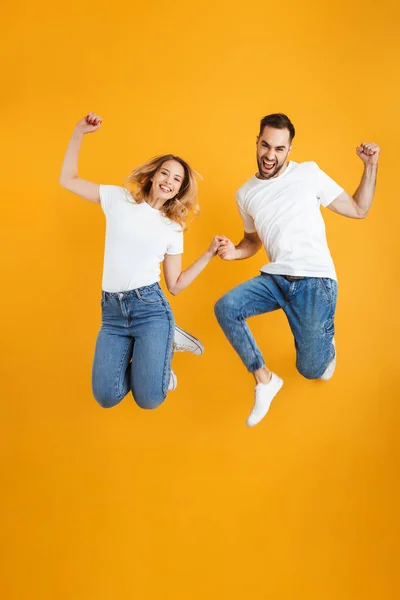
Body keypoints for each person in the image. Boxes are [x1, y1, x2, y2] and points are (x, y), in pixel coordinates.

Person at [214, 113, 380, 427]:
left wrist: (370, 165)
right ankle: (264, 380)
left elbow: (359, 209)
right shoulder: (245, 193)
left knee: (311, 369)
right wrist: (234, 252)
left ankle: (325, 344)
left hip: (315, 282)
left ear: (289, 149)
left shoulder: (309, 173)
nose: (269, 155)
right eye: (265, 146)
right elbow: (252, 241)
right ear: (257, 142)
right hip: (275, 278)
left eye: (279, 148)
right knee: (226, 307)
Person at [60, 112, 224, 410]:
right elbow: (67, 179)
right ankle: (164, 346)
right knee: (106, 396)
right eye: (165, 173)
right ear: (152, 175)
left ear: (180, 189)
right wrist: (78, 134)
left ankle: (162, 347)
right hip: (112, 312)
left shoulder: (172, 227)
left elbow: (175, 285)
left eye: (177, 179)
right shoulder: (118, 199)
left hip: (149, 309)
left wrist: (209, 253)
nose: (169, 181)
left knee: (149, 399)